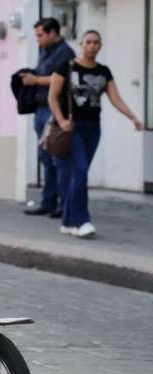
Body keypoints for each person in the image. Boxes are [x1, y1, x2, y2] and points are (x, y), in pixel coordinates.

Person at [48, 30, 141, 238]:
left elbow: (115, 98)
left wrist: (133, 117)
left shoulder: (103, 71)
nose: (92, 46)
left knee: (78, 175)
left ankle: (67, 222)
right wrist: (62, 120)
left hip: (93, 128)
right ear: (82, 44)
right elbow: (52, 97)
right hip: (72, 128)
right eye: (88, 42)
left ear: (100, 46)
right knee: (80, 171)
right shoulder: (67, 66)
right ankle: (82, 221)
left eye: (96, 43)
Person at [22, 17, 75, 218]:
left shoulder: (66, 53)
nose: (37, 39)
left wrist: (35, 80)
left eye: (40, 35)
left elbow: (60, 80)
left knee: (58, 158)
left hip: (55, 112)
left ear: (53, 33)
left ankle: (63, 205)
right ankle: (48, 202)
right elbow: (42, 73)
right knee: (45, 157)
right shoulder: (44, 49)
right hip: (40, 108)